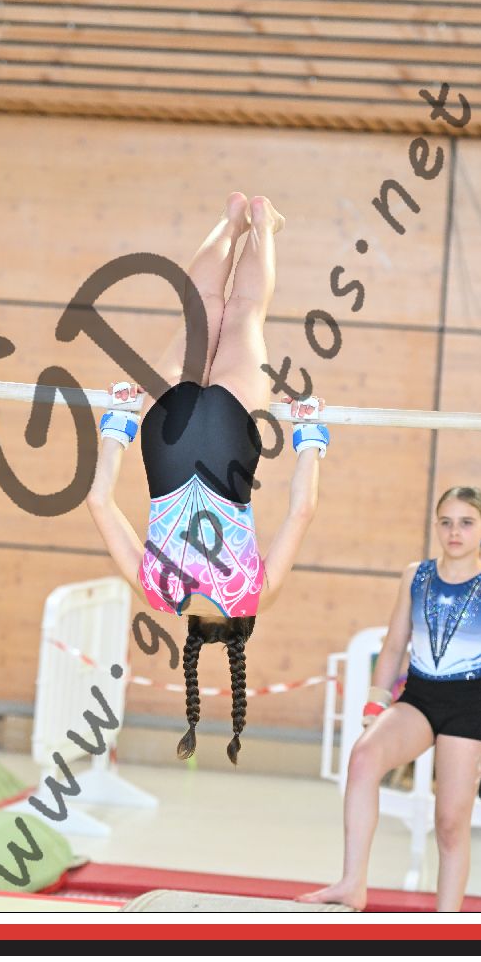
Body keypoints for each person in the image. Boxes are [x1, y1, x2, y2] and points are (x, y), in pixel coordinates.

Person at [86, 193, 329, 763]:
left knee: (243, 313)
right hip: (165, 439)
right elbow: (98, 501)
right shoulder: (156, 594)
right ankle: (230, 218)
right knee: (198, 312)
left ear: (243, 627)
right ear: (190, 633)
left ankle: (261, 223)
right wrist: (118, 425)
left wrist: (310, 437)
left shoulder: (253, 596)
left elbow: (302, 510)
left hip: (227, 440)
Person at [297, 486, 481, 912]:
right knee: (363, 757)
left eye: (466, 523)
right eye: (446, 522)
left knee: (450, 823)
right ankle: (352, 883)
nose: (454, 532)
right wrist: (374, 708)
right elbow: (393, 646)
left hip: (467, 705)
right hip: (419, 697)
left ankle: (446, 923)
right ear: (436, 526)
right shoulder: (416, 576)